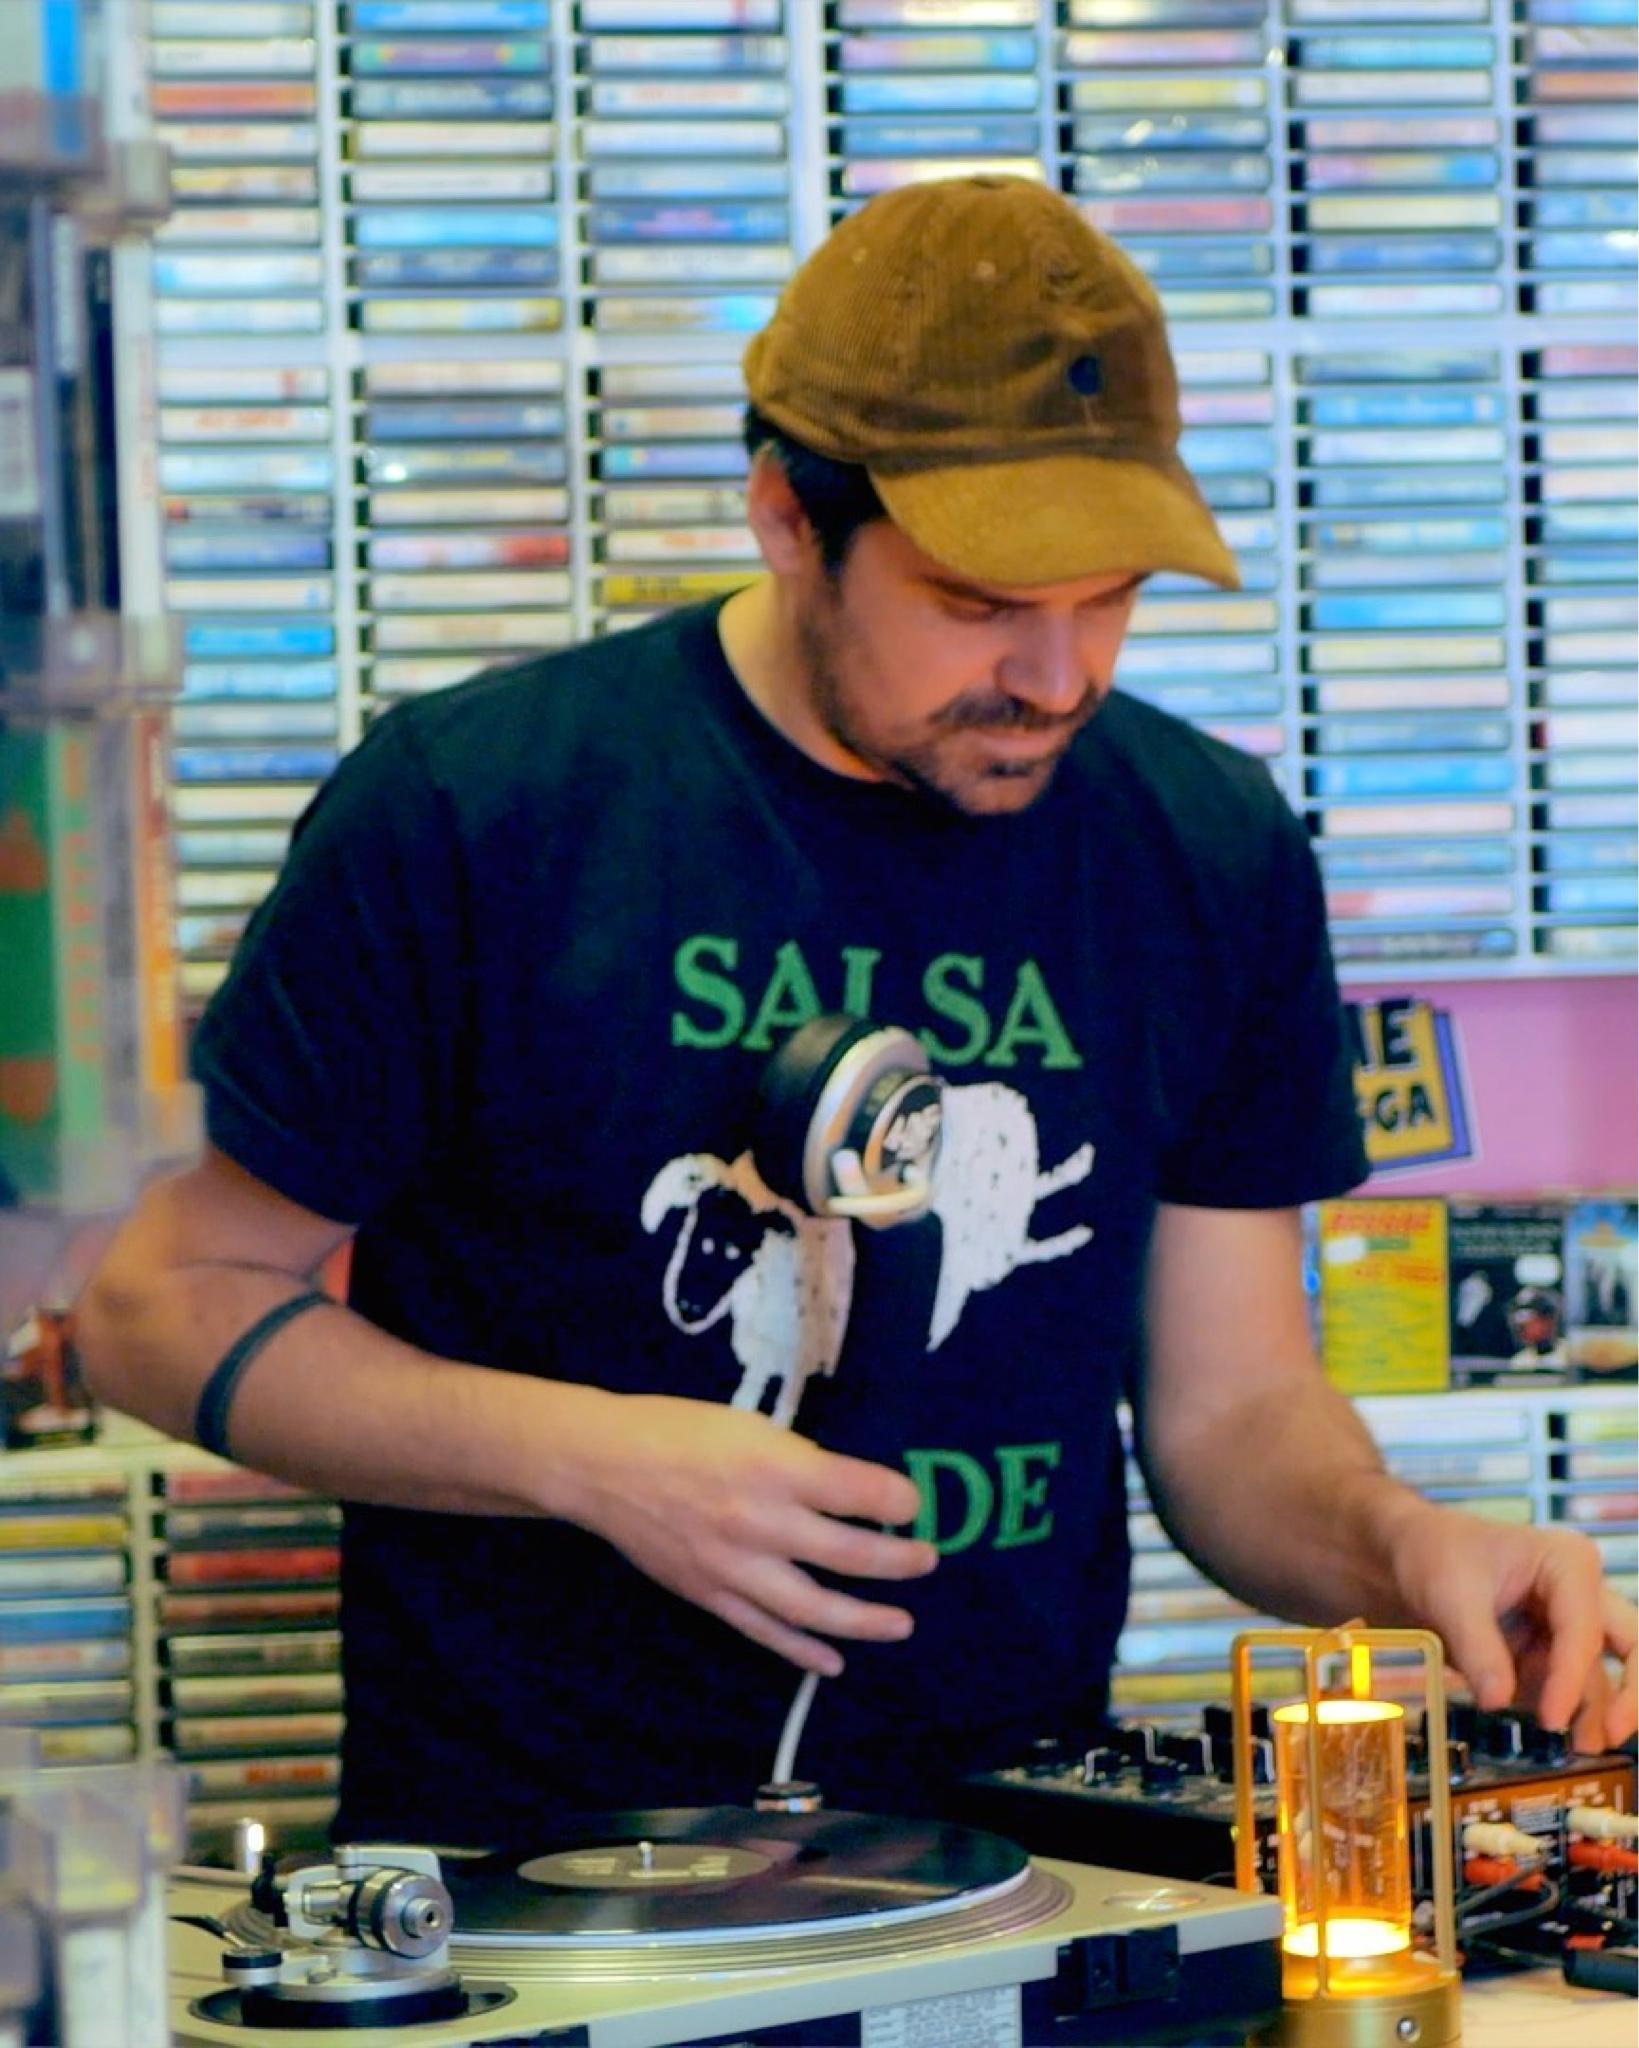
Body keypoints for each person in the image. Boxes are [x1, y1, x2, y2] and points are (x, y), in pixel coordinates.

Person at [77, 177, 1635, 1850]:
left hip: (1029, 1871)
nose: (1057, 677)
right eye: (978, 601)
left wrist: (1402, 1548)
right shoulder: (480, 809)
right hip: (534, 1887)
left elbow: (1231, 1411)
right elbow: (158, 1304)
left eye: (1110, 595)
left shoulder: (1206, 845)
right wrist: (590, 1459)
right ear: (786, 518)